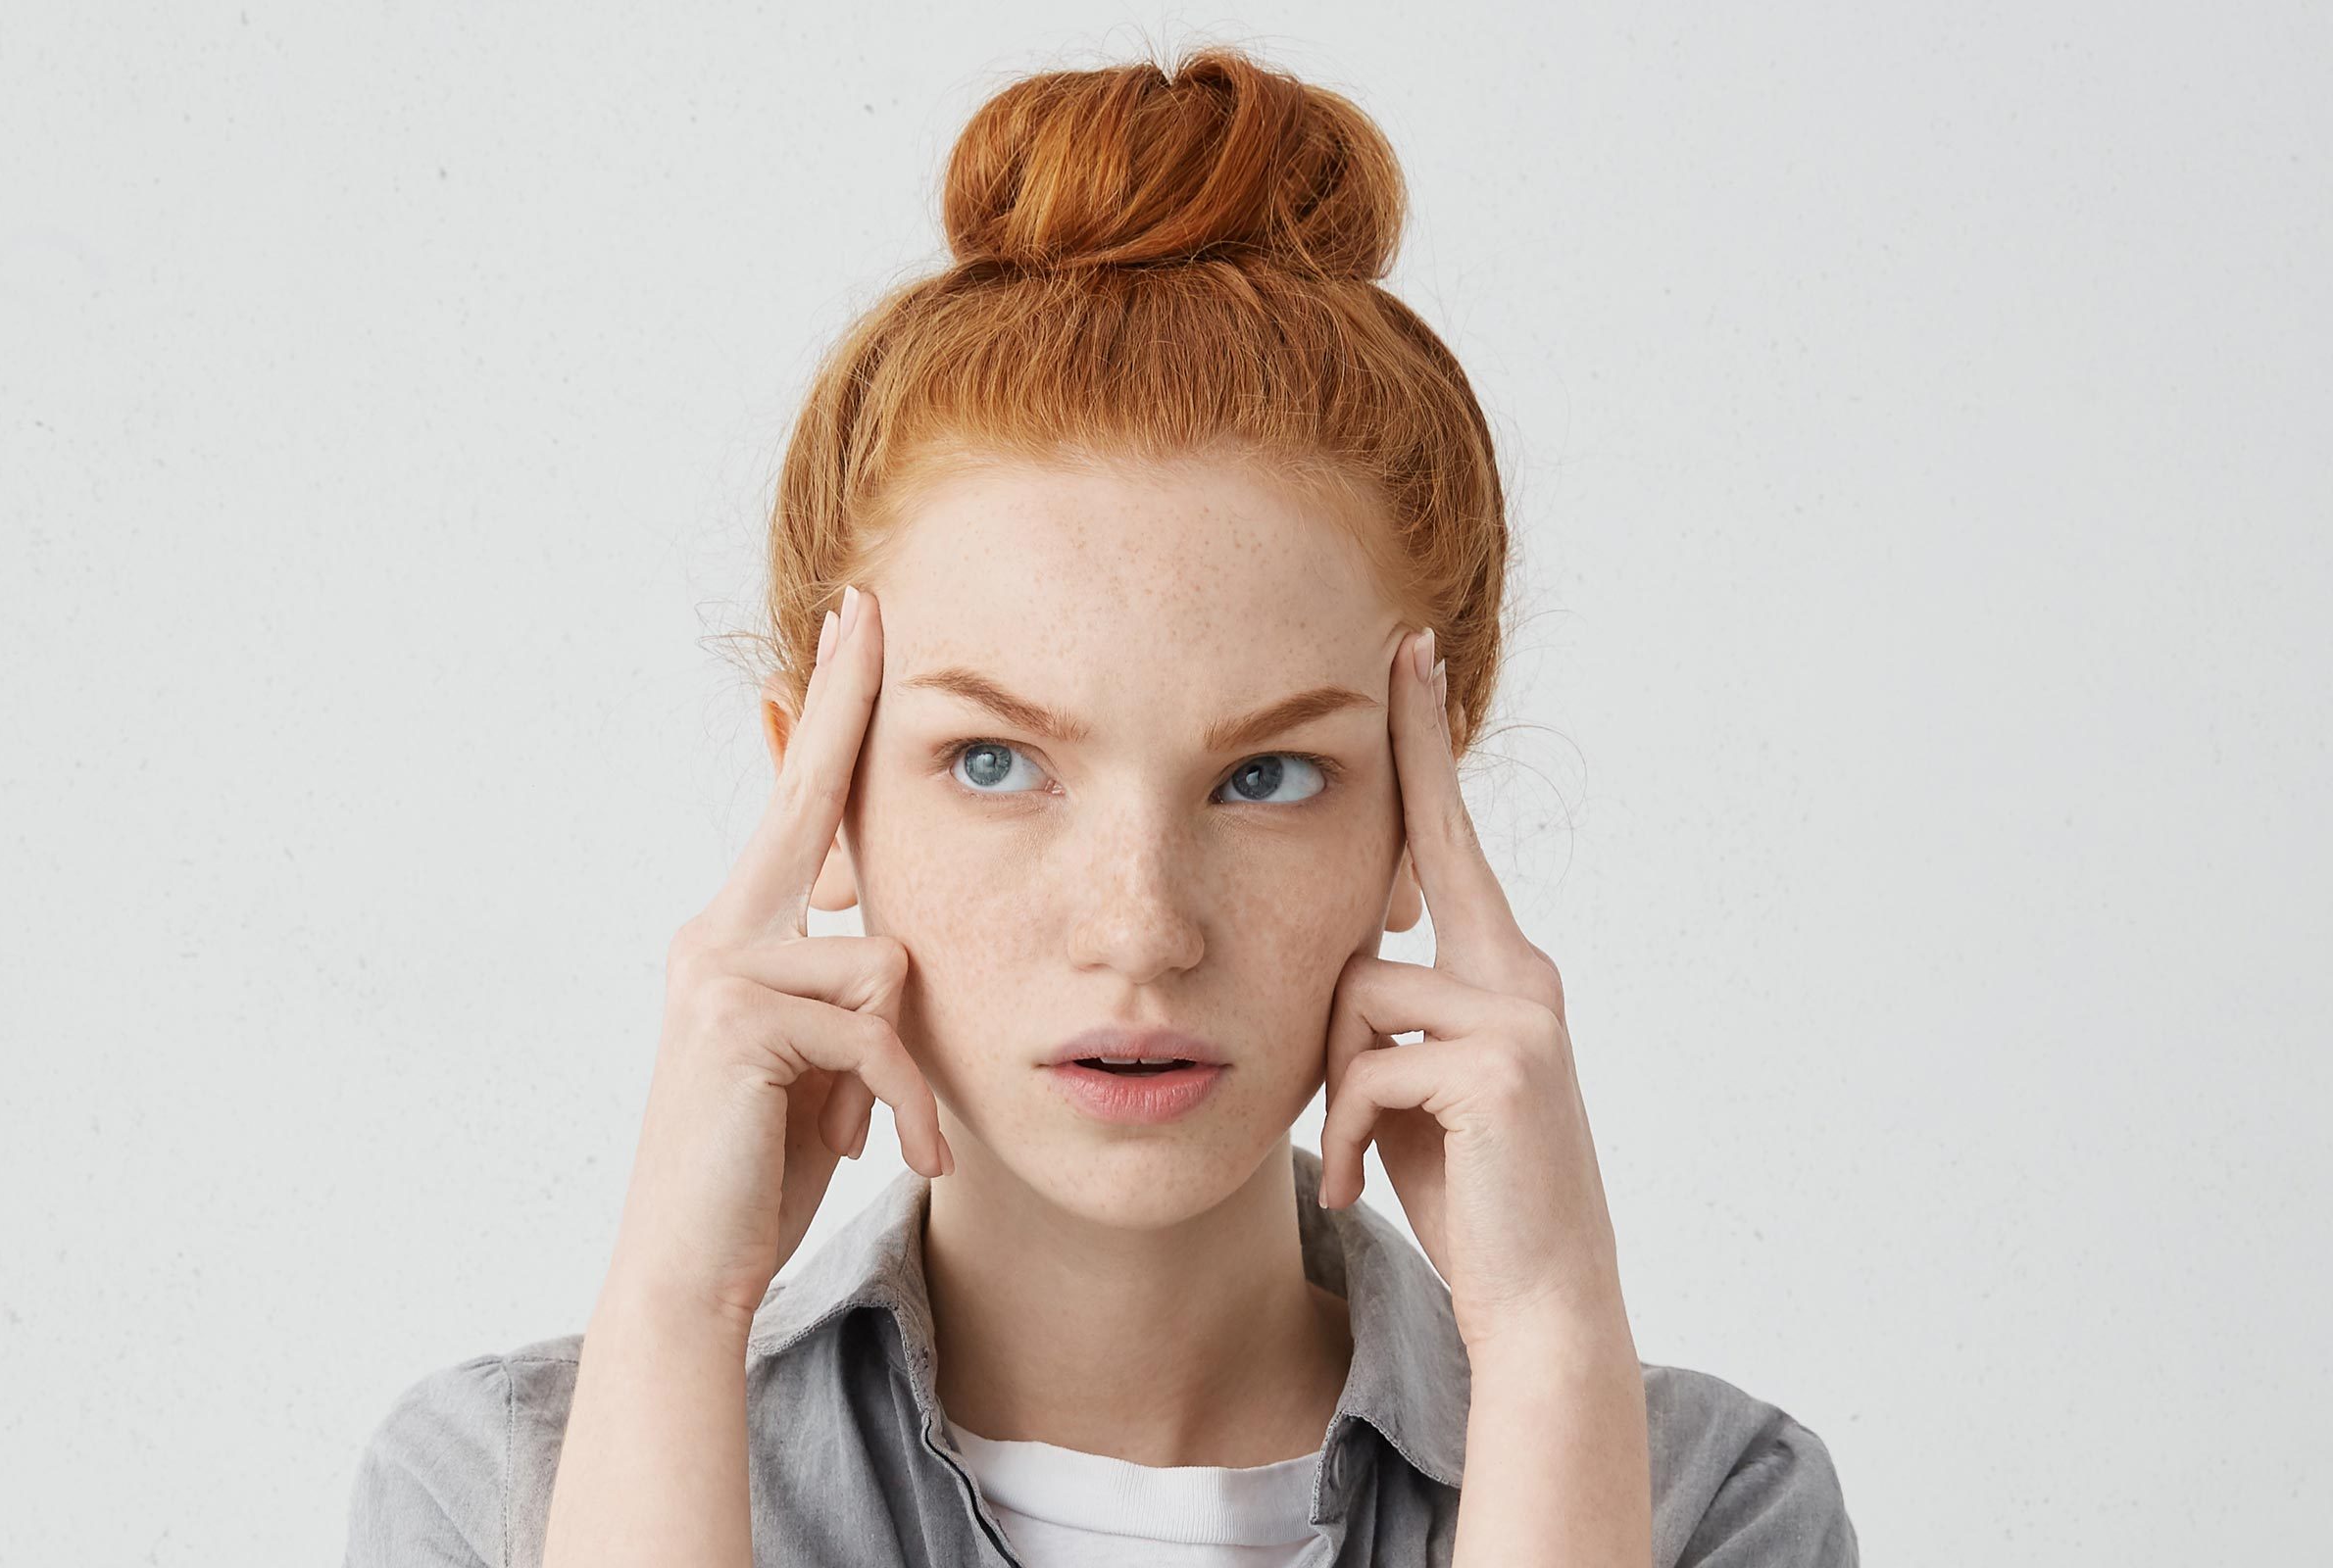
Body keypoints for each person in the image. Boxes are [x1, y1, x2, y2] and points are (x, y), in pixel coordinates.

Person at [344, 43, 1859, 1568]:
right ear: (827, 805)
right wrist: (676, 1307)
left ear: (1421, 810)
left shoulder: (1702, 1505)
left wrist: (1544, 1347)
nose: (1141, 927)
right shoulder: (503, 1497)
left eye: (1267, 776)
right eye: (995, 763)